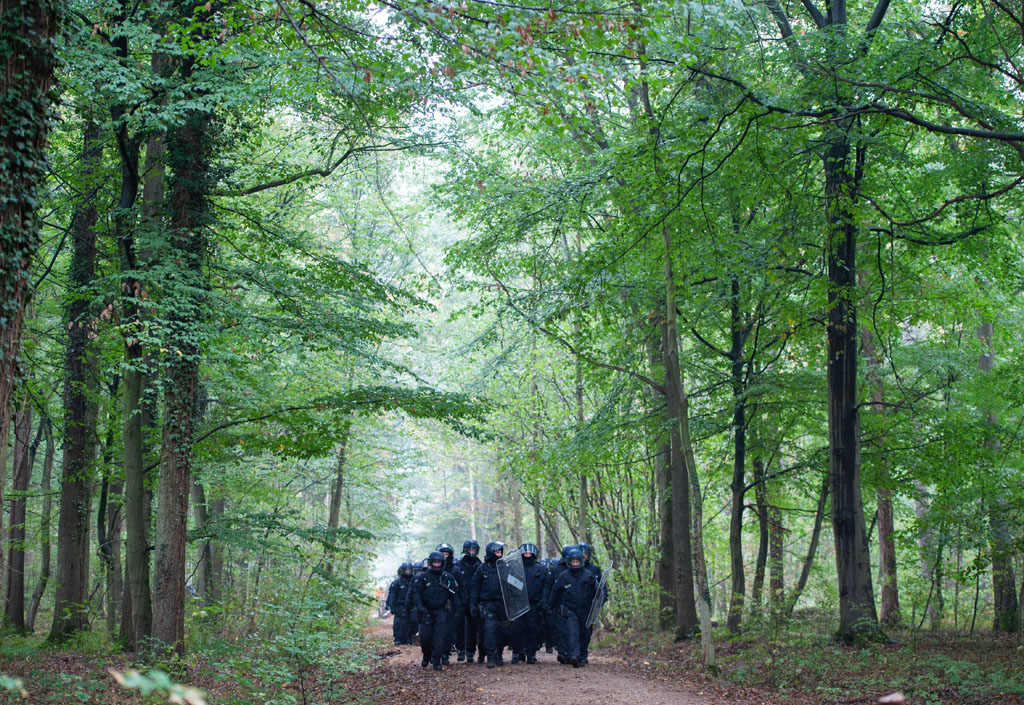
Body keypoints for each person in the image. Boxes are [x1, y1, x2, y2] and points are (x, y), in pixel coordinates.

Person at [547, 547, 598, 668]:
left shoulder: (588, 575)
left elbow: (597, 592)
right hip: (570, 610)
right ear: (569, 562)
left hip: (586, 610)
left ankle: (583, 656)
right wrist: (550, 606)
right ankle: (574, 656)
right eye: (573, 562)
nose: (575, 564)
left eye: (577, 561)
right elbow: (555, 591)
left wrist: (597, 602)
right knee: (572, 632)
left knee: (585, 633)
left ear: (581, 561)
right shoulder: (563, 576)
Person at [410, 551, 460, 671]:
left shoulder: (447, 578)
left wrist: (457, 610)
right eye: (435, 562)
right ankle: (427, 655)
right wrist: (420, 607)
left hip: (441, 612)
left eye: (439, 562)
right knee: (425, 638)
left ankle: (437, 660)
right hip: (426, 612)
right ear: (430, 563)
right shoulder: (422, 577)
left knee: (440, 638)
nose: (437, 565)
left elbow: (455, 594)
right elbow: (415, 593)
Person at [470, 541, 510, 668]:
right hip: (488, 604)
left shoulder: (505, 567)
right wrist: (473, 604)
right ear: (491, 553)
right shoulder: (482, 569)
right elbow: (475, 587)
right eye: (497, 552)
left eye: (501, 552)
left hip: (503, 604)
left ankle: (499, 653)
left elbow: (515, 585)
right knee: (489, 630)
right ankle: (491, 656)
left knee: (504, 631)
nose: (500, 554)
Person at [510, 543, 548, 664]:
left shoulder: (541, 569)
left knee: (533, 629)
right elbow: (509, 583)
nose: (527, 555)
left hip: (534, 604)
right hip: (519, 603)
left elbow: (546, 586)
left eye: (529, 553)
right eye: (525, 553)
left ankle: (531, 654)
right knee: (517, 629)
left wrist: (543, 600)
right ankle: (517, 652)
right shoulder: (515, 568)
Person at [541, 545, 577, 660]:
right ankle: (562, 652)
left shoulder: (578, 568)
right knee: (560, 629)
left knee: (572, 630)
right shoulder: (556, 569)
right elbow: (549, 586)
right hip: (558, 603)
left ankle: (573, 653)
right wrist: (546, 602)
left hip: (574, 604)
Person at [452, 539, 484, 663]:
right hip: (461, 599)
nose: (471, 552)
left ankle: (470, 651)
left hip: (474, 600)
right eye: (469, 549)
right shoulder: (458, 566)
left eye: (473, 550)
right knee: (459, 625)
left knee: (473, 626)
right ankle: (460, 649)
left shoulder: (480, 565)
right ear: (465, 550)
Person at [436, 543, 459, 663]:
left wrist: (459, 606)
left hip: (449, 605)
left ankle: (445, 654)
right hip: (434, 606)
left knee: (448, 630)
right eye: (442, 554)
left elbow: (460, 589)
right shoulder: (431, 570)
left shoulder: (455, 570)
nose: (444, 557)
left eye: (446, 554)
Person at [386, 562, 416, 645]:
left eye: (409, 570)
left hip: (412, 606)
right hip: (400, 606)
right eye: (406, 570)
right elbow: (392, 595)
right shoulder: (397, 582)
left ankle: (409, 637)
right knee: (399, 623)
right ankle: (398, 639)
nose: (407, 571)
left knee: (413, 622)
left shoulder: (415, 581)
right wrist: (392, 606)